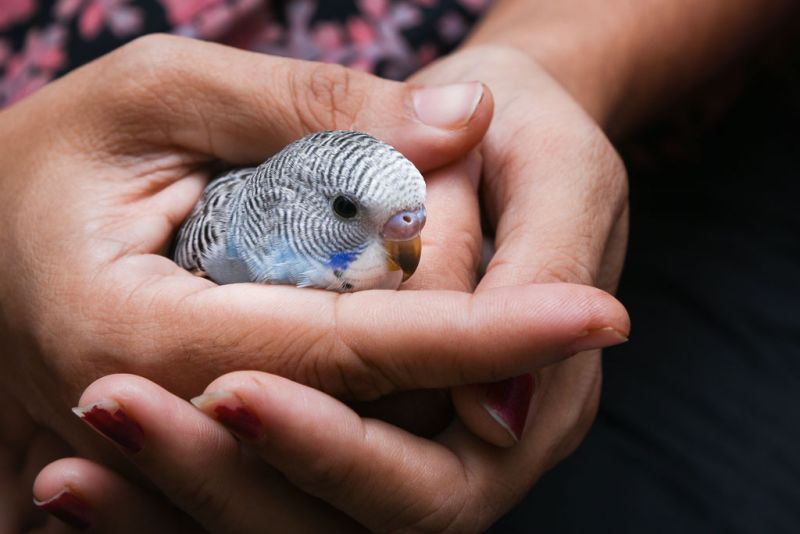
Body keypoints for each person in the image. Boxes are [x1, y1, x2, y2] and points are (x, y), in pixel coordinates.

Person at [1, 0, 797, 532]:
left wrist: (540, 66)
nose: (409, 249)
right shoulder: (219, 238)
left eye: (408, 225)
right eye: (360, 218)